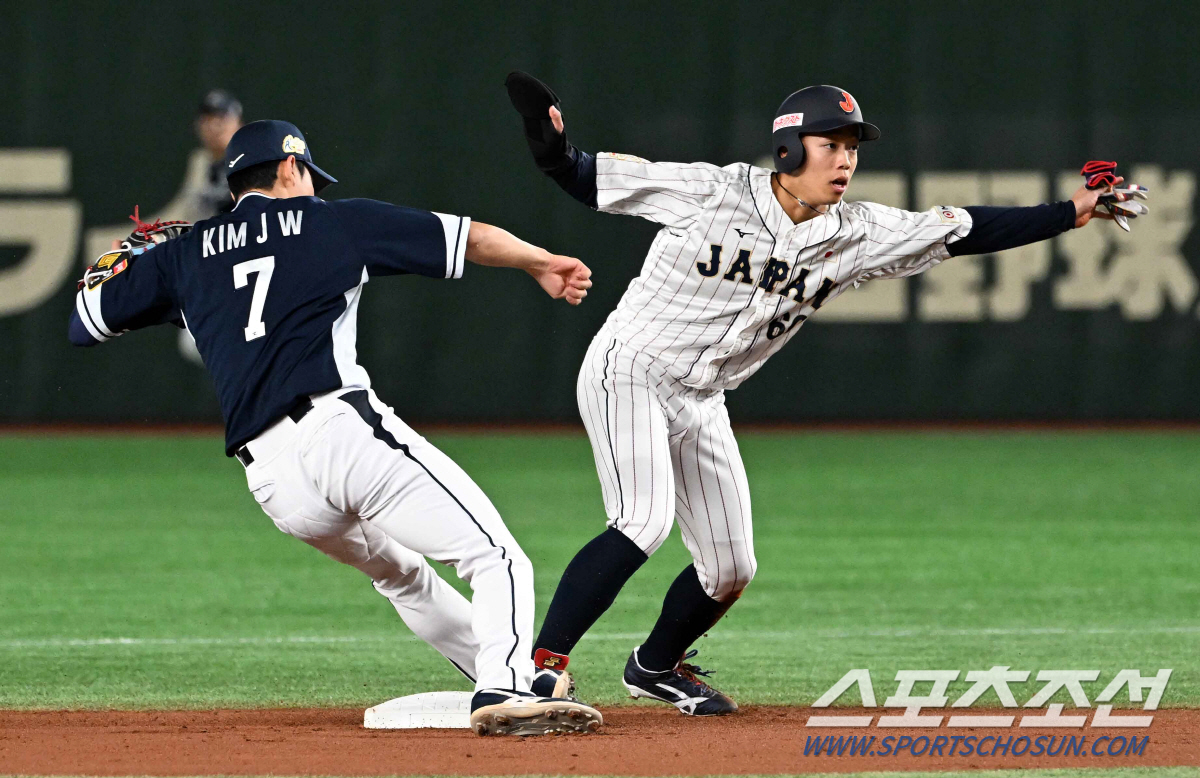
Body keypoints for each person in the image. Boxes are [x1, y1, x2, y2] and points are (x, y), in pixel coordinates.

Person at [504, 72, 1148, 716]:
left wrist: (1072, 212)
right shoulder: (712, 191)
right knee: (643, 521)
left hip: (703, 398)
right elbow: (578, 173)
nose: (845, 160)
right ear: (788, 150)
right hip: (632, 369)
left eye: (852, 148)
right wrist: (546, 133)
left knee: (730, 569)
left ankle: (655, 665)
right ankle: (537, 669)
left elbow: (962, 229)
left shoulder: (855, 233)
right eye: (830, 144)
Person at [68, 119, 603, 737]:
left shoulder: (186, 255)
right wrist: (541, 262)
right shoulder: (329, 221)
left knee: (402, 576)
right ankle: (506, 690)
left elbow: (88, 320)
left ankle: (508, 678)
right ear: (290, 168)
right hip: (337, 432)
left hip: (272, 483)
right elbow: (471, 238)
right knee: (497, 556)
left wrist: (127, 269)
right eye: (308, 177)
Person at [192, 89, 245, 218]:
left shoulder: (251, 160)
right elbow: (185, 211)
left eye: (222, 119)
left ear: (239, 123)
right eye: (208, 119)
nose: (214, 126)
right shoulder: (201, 162)